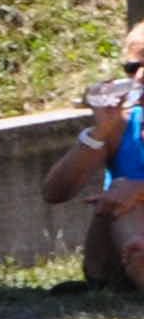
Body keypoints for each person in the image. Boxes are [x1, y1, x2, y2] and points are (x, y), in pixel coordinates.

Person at [43, 25, 144, 293]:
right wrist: (100, 132)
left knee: (127, 194)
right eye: (133, 67)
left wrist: (138, 189)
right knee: (121, 201)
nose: (141, 76)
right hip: (115, 256)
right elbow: (55, 193)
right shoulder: (123, 126)